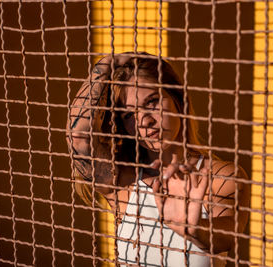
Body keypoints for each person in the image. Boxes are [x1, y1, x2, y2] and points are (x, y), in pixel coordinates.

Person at [67, 52, 250, 266]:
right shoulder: (123, 181)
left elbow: (227, 239)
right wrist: (107, 63)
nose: (145, 121)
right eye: (129, 115)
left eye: (152, 102)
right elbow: (78, 138)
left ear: (177, 98)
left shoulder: (222, 177)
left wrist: (192, 228)